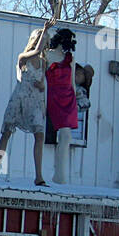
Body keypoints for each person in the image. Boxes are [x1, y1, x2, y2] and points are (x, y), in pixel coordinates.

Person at [0, 27, 49, 186]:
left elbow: (42, 82)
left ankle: (39, 176)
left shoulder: (43, 62)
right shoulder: (23, 57)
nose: (44, 44)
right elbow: (37, 50)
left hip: (35, 102)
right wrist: (45, 29)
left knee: (39, 135)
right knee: (7, 132)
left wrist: (42, 90)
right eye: (42, 39)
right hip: (20, 99)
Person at [45, 28, 79, 184]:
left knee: (66, 136)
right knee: (59, 134)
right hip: (53, 97)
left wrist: (76, 101)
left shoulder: (70, 58)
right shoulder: (47, 55)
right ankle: (57, 174)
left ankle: (60, 175)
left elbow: (72, 82)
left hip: (69, 99)